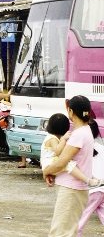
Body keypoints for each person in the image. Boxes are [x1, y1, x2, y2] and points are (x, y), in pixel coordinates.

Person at [43, 95, 94, 236]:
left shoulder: (78, 135)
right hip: (76, 188)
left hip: (71, 189)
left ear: (71, 112)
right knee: (67, 231)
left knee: (60, 232)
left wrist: (46, 171)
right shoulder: (86, 131)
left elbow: (61, 163)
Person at [41, 113, 99, 186]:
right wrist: (64, 139)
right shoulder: (52, 138)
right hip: (50, 163)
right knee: (69, 164)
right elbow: (58, 151)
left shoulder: (51, 137)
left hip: (49, 163)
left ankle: (91, 178)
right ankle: (87, 180)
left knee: (70, 163)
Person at [78, 119, 104, 236]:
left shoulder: (81, 149)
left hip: (91, 189)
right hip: (102, 188)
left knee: (81, 218)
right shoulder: (101, 148)